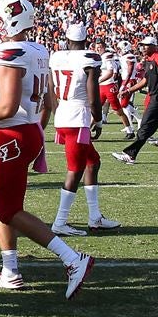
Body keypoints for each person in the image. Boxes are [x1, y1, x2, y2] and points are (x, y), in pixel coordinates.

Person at [0, 0, 93, 296]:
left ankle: (72, 258)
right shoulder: (39, 49)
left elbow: (5, 107)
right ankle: (10, 270)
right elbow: (49, 102)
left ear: (12, 19)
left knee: (8, 210)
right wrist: (37, 134)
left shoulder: (10, 51)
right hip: (26, 131)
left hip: (13, 135)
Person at [47, 24, 120, 234]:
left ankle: (95, 217)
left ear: (67, 39)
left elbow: (51, 90)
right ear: (86, 39)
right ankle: (60, 222)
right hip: (78, 118)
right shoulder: (89, 58)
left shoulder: (57, 57)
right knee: (75, 169)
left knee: (93, 162)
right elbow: (92, 95)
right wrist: (97, 119)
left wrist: (57, 115)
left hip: (63, 114)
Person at [112, 36, 158, 165]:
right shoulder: (149, 60)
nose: (143, 48)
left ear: (154, 46)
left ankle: (130, 155)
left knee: (145, 128)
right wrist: (129, 91)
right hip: (156, 96)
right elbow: (145, 80)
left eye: (146, 45)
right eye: (142, 45)